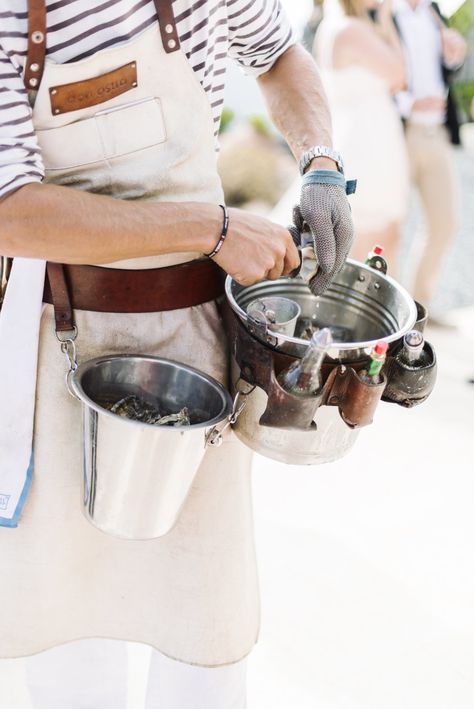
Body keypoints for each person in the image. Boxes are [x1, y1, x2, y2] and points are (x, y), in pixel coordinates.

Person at [0, 1, 354, 706]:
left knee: (204, 636)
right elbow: (11, 211)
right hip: (61, 350)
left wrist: (320, 161)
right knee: (73, 636)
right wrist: (213, 228)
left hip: (202, 347)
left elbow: (281, 55)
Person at [314, 0, 409, 271]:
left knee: (362, 240)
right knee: (376, 241)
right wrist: (387, 19)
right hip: (370, 146)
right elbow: (400, 76)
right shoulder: (352, 29)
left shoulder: (330, 27)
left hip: (358, 138)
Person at [393, 0, 467, 313]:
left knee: (445, 223)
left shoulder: (434, 11)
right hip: (398, 133)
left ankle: (418, 308)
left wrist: (455, 56)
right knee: (391, 224)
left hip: (436, 131)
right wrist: (410, 104)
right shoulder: (383, 10)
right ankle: (389, 314)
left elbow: (445, 69)